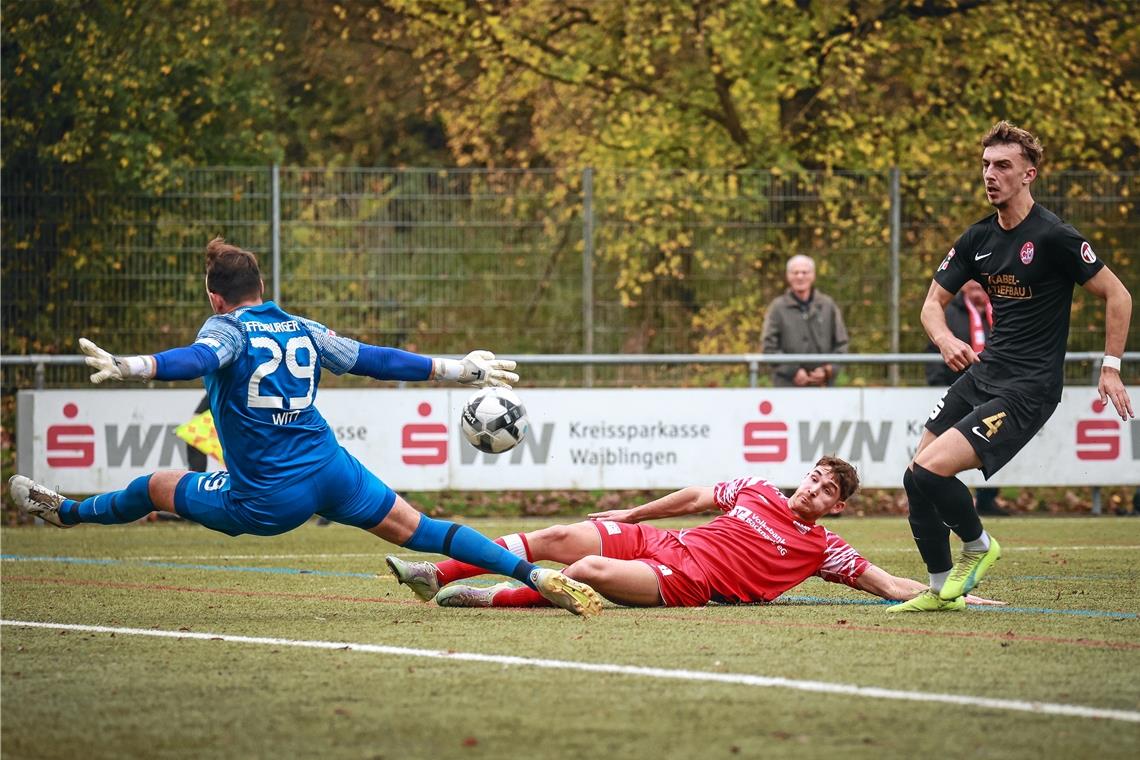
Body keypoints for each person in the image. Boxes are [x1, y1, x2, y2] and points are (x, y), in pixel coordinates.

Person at [8, 236, 602, 618]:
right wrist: (459, 368)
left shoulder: (226, 330)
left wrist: (135, 366)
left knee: (154, 487)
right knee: (421, 528)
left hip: (267, 498)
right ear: (263, 288)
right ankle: (535, 574)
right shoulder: (305, 330)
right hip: (331, 470)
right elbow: (375, 359)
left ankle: (65, 513)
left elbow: (196, 359)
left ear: (216, 298)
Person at [896, 120, 1134, 612]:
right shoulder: (977, 238)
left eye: (1002, 165)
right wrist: (944, 339)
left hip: (1028, 388)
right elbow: (930, 305)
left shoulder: (1054, 236)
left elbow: (1118, 293)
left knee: (932, 469)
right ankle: (943, 589)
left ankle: (979, 545)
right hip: (985, 373)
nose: (990, 174)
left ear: (1029, 174)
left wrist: (1110, 366)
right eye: (985, 165)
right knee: (914, 477)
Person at [386, 457, 1000, 611]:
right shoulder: (758, 489)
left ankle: (492, 596)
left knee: (583, 574)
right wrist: (632, 517)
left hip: (690, 581)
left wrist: (957, 594)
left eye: (828, 491)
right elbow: (696, 496)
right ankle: (436, 572)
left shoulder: (824, 547)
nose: (814, 489)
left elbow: (888, 582)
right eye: (815, 477)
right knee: (558, 537)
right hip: (667, 545)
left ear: (835, 509)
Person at [924, 279, 1005, 517]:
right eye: (972, 287)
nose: (978, 292)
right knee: (945, 452)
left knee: (989, 446)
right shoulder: (949, 312)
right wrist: (937, 383)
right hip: (960, 388)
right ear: (963, 287)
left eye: (981, 287)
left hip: (997, 390)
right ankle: (951, 504)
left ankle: (987, 499)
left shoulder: (1003, 308)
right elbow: (934, 347)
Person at [761, 254, 849, 387]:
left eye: (804, 272)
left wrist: (827, 370)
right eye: (795, 272)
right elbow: (769, 347)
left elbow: (841, 345)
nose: (800, 276)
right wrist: (793, 371)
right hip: (787, 387)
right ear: (788, 276)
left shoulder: (827, 305)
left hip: (823, 388)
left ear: (813, 275)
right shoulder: (777, 308)